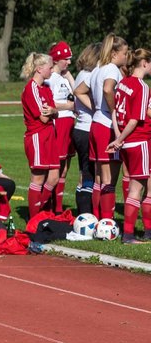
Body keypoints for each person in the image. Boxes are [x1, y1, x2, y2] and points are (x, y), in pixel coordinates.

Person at [75, 35, 129, 221]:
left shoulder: (98, 68)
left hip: (95, 123)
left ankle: (97, 218)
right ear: (114, 53)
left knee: (98, 177)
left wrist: (96, 107)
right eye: (124, 52)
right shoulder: (112, 69)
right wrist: (114, 110)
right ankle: (107, 221)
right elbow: (108, 89)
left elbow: (79, 91)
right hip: (106, 125)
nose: (126, 55)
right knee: (108, 179)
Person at [109, 48, 151, 243]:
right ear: (144, 63)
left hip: (127, 142)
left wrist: (119, 138)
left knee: (138, 186)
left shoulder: (123, 83)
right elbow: (135, 120)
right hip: (139, 140)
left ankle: (142, 232)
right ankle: (128, 234)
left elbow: (116, 114)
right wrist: (119, 139)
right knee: (137, 189)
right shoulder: (142, 87)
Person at [21, 52, 61, 218]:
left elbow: (54, 112)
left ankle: (40, 212)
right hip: (37, 136)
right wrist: (52, 112)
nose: (52, 71)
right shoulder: (31, 88)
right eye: (49, 68)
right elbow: (44, 117)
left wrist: (53, 111)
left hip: (50, 135)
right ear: (39, 68)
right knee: (38, 179)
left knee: (54, 178)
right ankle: (35, 217)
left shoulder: (46, 87)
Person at [70, 43, 101, 216]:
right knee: (91, 174)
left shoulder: (82, 73)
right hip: (88, 128)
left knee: (84, 173)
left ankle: (82, 212)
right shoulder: (90, 75)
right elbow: (79, 93)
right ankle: (86, 213)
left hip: (80, 128)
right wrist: (96, 108)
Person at [46, 42, 76, 214]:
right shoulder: (51, 79)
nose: (69, 62)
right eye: (66, 59)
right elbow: (50, 103)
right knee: (55, 168)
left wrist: (69, 74)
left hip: (69, 124)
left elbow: (76, 92)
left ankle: (57, 208)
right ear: (57, 60)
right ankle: (49, 207)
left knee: (64, 169)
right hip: (60, 124)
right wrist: (69, 106)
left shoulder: (64, 77)